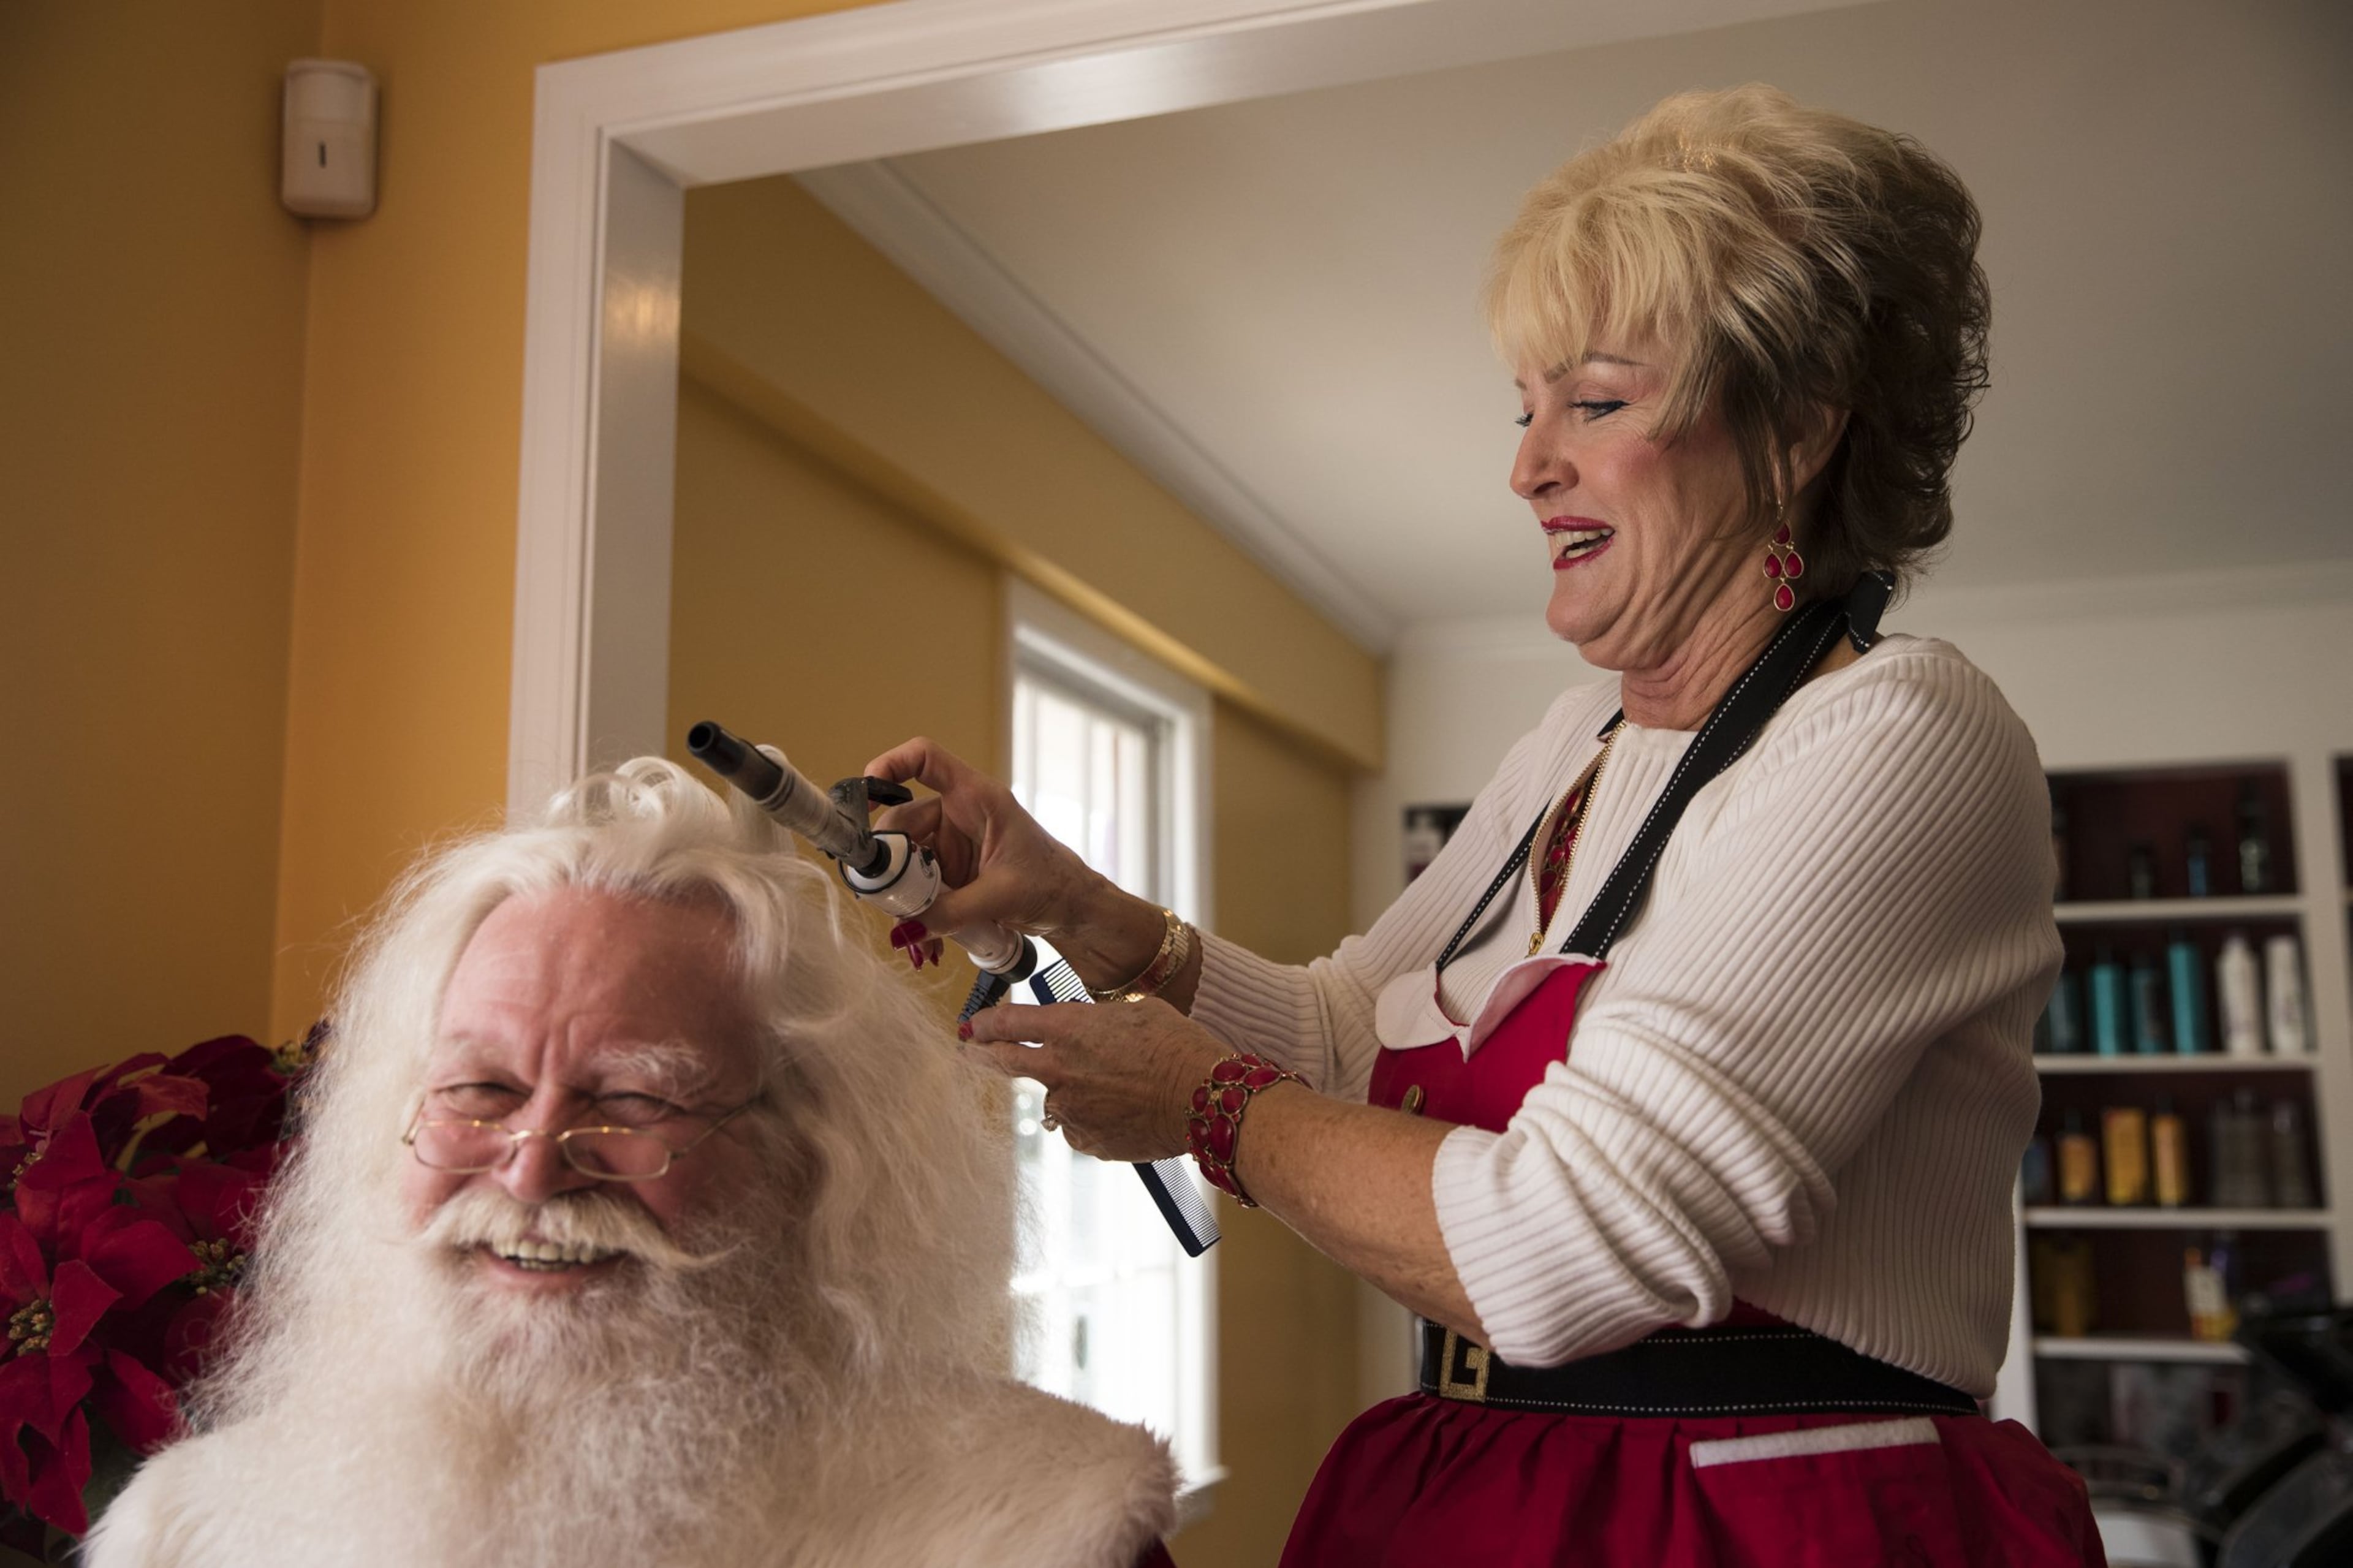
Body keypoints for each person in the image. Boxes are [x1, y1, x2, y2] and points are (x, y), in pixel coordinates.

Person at [866, 86, 2105, 1564]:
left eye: (1594, 401)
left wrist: (1211, 1109)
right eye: (1525, 411)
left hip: (1751, 1515)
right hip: (1484, 1486)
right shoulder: (1575, 741)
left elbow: (1586, 1237)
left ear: (1794, 432)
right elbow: (1340, 1035)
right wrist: (1082, 906)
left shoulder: (1896, 737)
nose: (1528, 466)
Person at [86, 759, 1180, 1568]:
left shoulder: (1048, 1529)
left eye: (635, 1098)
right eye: (480, 1091)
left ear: (815, 1159)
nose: (530, 1175)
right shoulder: (190, 1534)